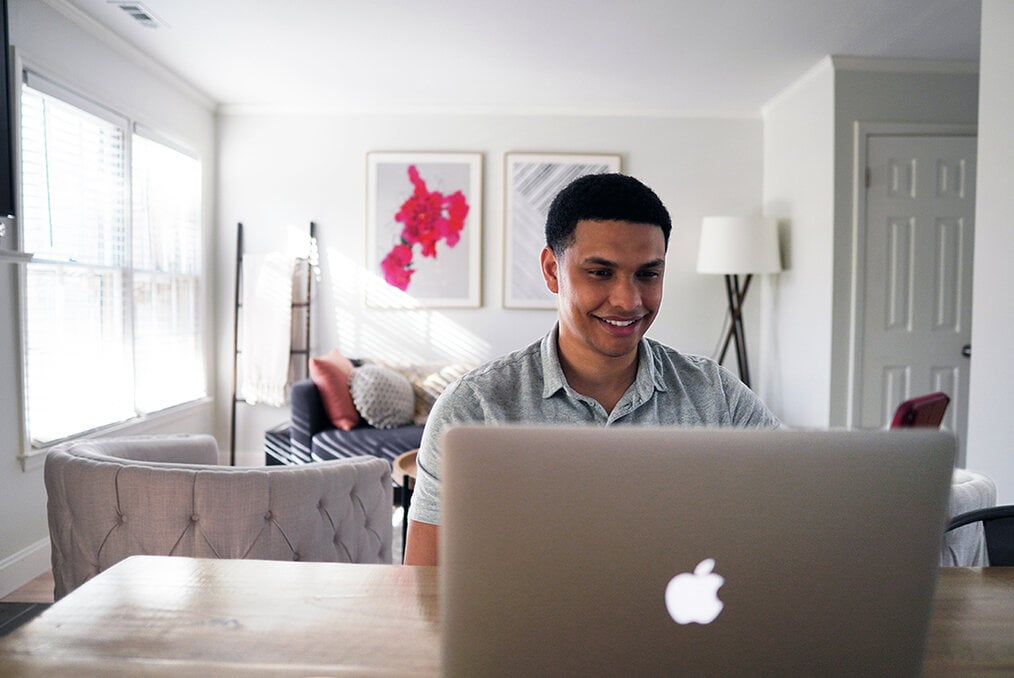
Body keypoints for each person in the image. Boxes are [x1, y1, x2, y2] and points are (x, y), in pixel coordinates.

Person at [403, 173, 779, 566]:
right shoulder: (474, 408)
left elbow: (793, 514)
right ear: (552, 270)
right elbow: (421, 586)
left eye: (648, 274)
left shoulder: (716, 396)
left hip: (682, 622)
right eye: (600, 273)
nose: (628, 300)